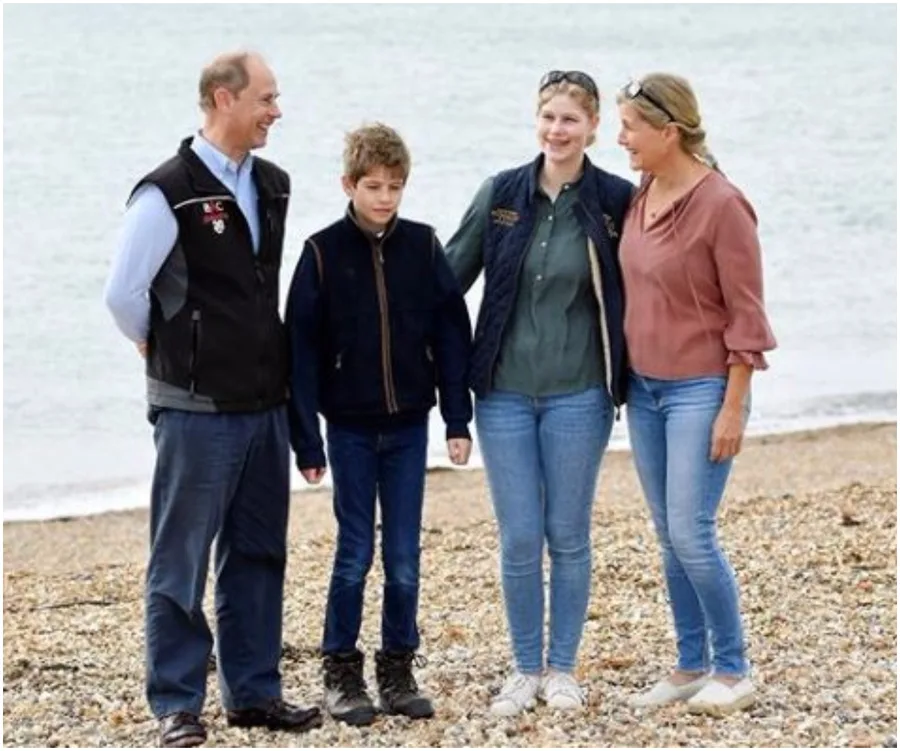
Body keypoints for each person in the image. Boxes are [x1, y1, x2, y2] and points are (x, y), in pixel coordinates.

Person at [103, 51, 321, 747]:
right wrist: (161, 350)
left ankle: (254, 692)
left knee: (257, 552)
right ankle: (176, 703)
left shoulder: (274, 185)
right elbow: (123, 295)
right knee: (181, 559)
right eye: (266, 98)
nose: (276, 110)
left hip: (264, 403)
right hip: (194, 408)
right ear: (223, 99)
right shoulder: (166, 191)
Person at [444, 70, 634, 716]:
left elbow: (650, 284)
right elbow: (446, 280)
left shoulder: (615, 200)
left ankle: (563, 669)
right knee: (520, 535)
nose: (557, 130)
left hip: (580, 394)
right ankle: (525, 668)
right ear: (537, 120)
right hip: (501, 393)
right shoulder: (501, 193)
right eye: (548, 117)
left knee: (568, 533)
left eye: (570, 120)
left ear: (593, 127)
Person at [286, 122, 474, 726]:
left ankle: (397, 666)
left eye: (395, 186)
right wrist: (305, 438)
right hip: (346, 428)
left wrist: (456, 416)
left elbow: (450, 330)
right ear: (349, 184)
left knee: (402, 554)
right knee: (354, 550)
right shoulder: (320, 252)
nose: (385, 198)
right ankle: (341, 668)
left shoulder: (422, 246)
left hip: (408, 426)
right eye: (373, 186)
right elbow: (300, 351)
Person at [615, 73, 777, 715]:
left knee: (692, 529)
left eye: (629, 127)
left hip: (702, 389)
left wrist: (733, 405)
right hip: (645, 390)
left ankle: (734, 668)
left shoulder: (722, 204)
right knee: (668, 533)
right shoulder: (643, 192)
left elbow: (747, 316)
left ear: (668, 132)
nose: (621, 137)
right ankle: (689, 664)